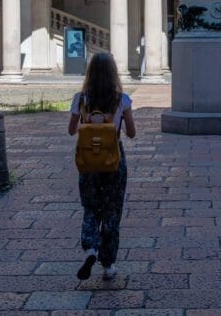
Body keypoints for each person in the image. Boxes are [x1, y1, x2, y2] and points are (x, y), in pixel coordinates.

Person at [68, 52, 136, 281]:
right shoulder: (121, 99)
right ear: (113, 73)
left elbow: (71, 130)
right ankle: (108, 264)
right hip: (114, 160)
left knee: (90, 207)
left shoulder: (80, 99)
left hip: (88, 163)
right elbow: (132, 133)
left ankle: (90, 249)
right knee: (112, 211)